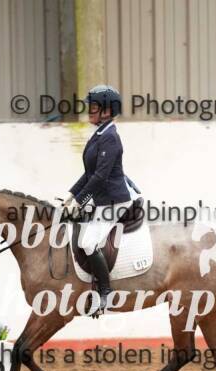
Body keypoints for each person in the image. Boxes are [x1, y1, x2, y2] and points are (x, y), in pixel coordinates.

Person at [62, 84, 139, 312]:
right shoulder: (99, 134)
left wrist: (80, 201)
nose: (89, 111)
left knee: (88, 243)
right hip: (103, 199)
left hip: (115, 200)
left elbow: (100, 176)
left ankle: (106, 292)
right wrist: (70, 195)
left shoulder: (110, 137)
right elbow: (89, 174)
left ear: (107, 110)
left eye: (94, 107)